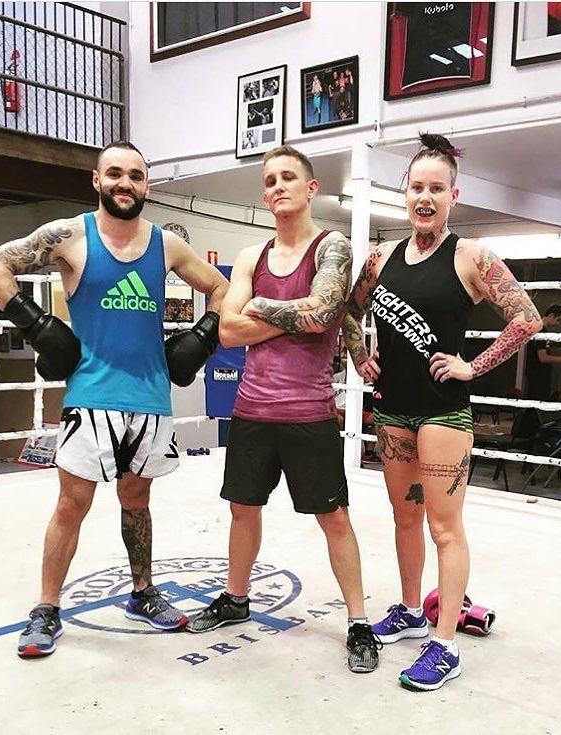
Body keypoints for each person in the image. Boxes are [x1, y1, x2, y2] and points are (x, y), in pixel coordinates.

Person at [0, 140, 229, 658]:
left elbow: (221, 290)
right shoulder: (70, 235)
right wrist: (37, 325)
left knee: (138, 503)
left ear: (147, 185)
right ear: (97, 180)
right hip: (91, 395)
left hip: (150, 398)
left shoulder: (166, 244)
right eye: (115, 173)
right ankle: (46, 608)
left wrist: (201, 338)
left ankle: (142, 593)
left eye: (136, 175)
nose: (125, 183)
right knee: (72, 504)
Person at [344, 133, 542, 690]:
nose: (424, 198)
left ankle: (446, 643)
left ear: (454, 195)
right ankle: (411, 612)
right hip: (392, 411)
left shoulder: (471, 256)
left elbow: (526, 318)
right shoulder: (381, 258)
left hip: (443, 415)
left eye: (436, 188)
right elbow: (349, 312)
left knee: (444, 528)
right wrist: (360, 355)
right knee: (404, 517)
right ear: (404, 194)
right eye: (416, 187)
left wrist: (473, 367)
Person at [185, 145, 381, 674]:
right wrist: (303, 316)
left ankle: (359, 622)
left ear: (311, 187)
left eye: (288, 177)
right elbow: (229, 332)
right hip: (252, 409)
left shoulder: (330, 246)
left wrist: (264, 308)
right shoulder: (252, 256)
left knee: (333, 517)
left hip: (308, 413)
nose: (278, 187)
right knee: (242, 509)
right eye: (270, 180)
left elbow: (323, 314)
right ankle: (236, 598)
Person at [525, 304, 561, 400]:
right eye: (558, 320)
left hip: (535, 372)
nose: (558, 324)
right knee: (539, 399)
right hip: (539, 374)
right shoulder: (541, 332)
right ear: (551, 315)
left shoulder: (536, 329)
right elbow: (543, 357)